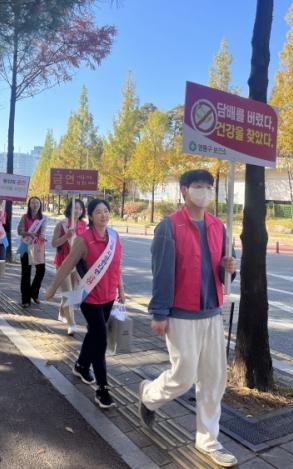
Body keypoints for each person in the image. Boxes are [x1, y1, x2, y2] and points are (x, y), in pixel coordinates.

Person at [138, 169, 237, 468]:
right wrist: (159, 313)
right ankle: (149, 396)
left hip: (211, 313)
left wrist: (230, 267)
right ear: (183, 190)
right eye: (197, 186)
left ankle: (208, 439)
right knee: (183, 376)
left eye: (208, 187)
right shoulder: (169, 226)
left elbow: (223, 273)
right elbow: (162, 273)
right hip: (181, 314)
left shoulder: (219, 226)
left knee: (213, 379)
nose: (204, 191)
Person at [45, 199, 125, 410]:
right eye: (98, 212)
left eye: (106, 211)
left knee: (93, 335)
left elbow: (117, 266)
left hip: (108, 297)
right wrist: (52, 288)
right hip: (89, 298)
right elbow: (66, 265)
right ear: (90, 216)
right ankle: (102, 389)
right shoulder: (84, 239)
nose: (103, 215)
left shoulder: (115, 237)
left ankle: (81, 366)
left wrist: (121, 291)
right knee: (100, 339)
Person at [52, 198, 87, 336]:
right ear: (69, 209)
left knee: (75, 294)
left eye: (80, 208)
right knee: (68, 293)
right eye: (75, 208)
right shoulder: (62, 224)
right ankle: (71, 323)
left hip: (77, 264)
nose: (77, 211)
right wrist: (66, 236)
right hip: (63, 263)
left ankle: (62, 311)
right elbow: (54, 243)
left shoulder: (83, 225)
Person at [17, 197, 46, 308]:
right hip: (26, 246)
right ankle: (25, 299)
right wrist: (29, 233)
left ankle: (33, 293)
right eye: (32, 202)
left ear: (40, 205)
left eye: (37, 203)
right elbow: (19, 231)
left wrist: (42, 236)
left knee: (41, 271)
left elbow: (42, 232)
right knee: (26, 273)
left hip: (38, 247)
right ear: (29, 205)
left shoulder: (43, 218)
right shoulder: (24, 217)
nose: (35, 204)